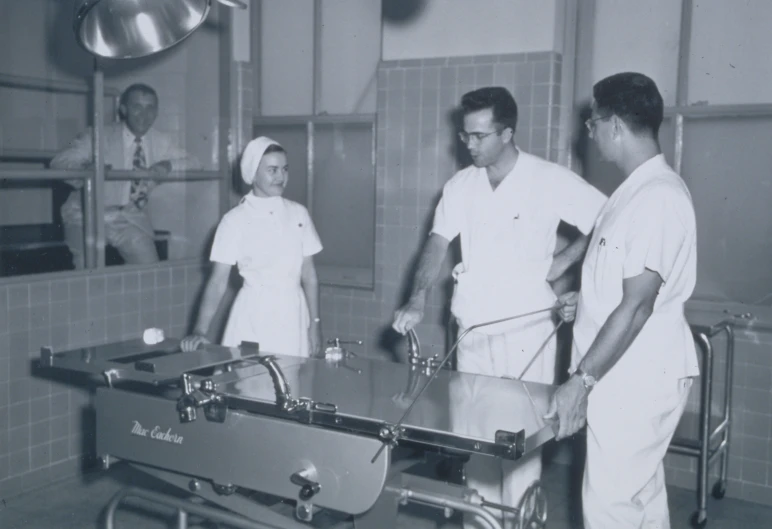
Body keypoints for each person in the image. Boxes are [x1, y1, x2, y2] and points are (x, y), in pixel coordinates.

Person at [391, 86, 607, 528]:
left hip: (526, 338)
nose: (468, 144)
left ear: (507, 133)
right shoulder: (461, 185)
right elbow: (436, 245)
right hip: (473, 338)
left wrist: (564, 260)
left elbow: (607, 218)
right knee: (478, 453)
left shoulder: (547, 178)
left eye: (479, 136)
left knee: (520, 452)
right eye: (464, 135)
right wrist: (417, 296)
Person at [545, 72, 699, 529]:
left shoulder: (658, 198)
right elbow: (624, 291)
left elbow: (638, 306)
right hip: (626, 372)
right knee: (641, 502)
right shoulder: (630, 194)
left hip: (634, 379)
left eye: (592, 123)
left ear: (614, 125)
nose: (589, 133)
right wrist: (586, 300)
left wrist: (581, 381)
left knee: (608, 507)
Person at [181, 137, 324, 358]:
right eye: (272, 170)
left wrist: (315, 324)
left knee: (290, 385)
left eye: (284, 169)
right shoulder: (234, 220)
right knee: (249, 385)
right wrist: (199, 330)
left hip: (293, 315)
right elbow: (218, 282)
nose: (281, 177)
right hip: (253, 316)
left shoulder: (299, 214)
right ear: (253, 173)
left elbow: (310, 275)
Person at [49, 83, 201, 268]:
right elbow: (59, 162)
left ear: (157, 112)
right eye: (137, 107)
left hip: (127, 217)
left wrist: (168, 165)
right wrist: (87, 169)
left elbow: (195, 163)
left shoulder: (160, 140)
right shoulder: (99, 135)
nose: (144, 115)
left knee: (149, 269)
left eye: (150, 108)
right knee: (87, 271)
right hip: (85, 215)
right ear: (123, 109)